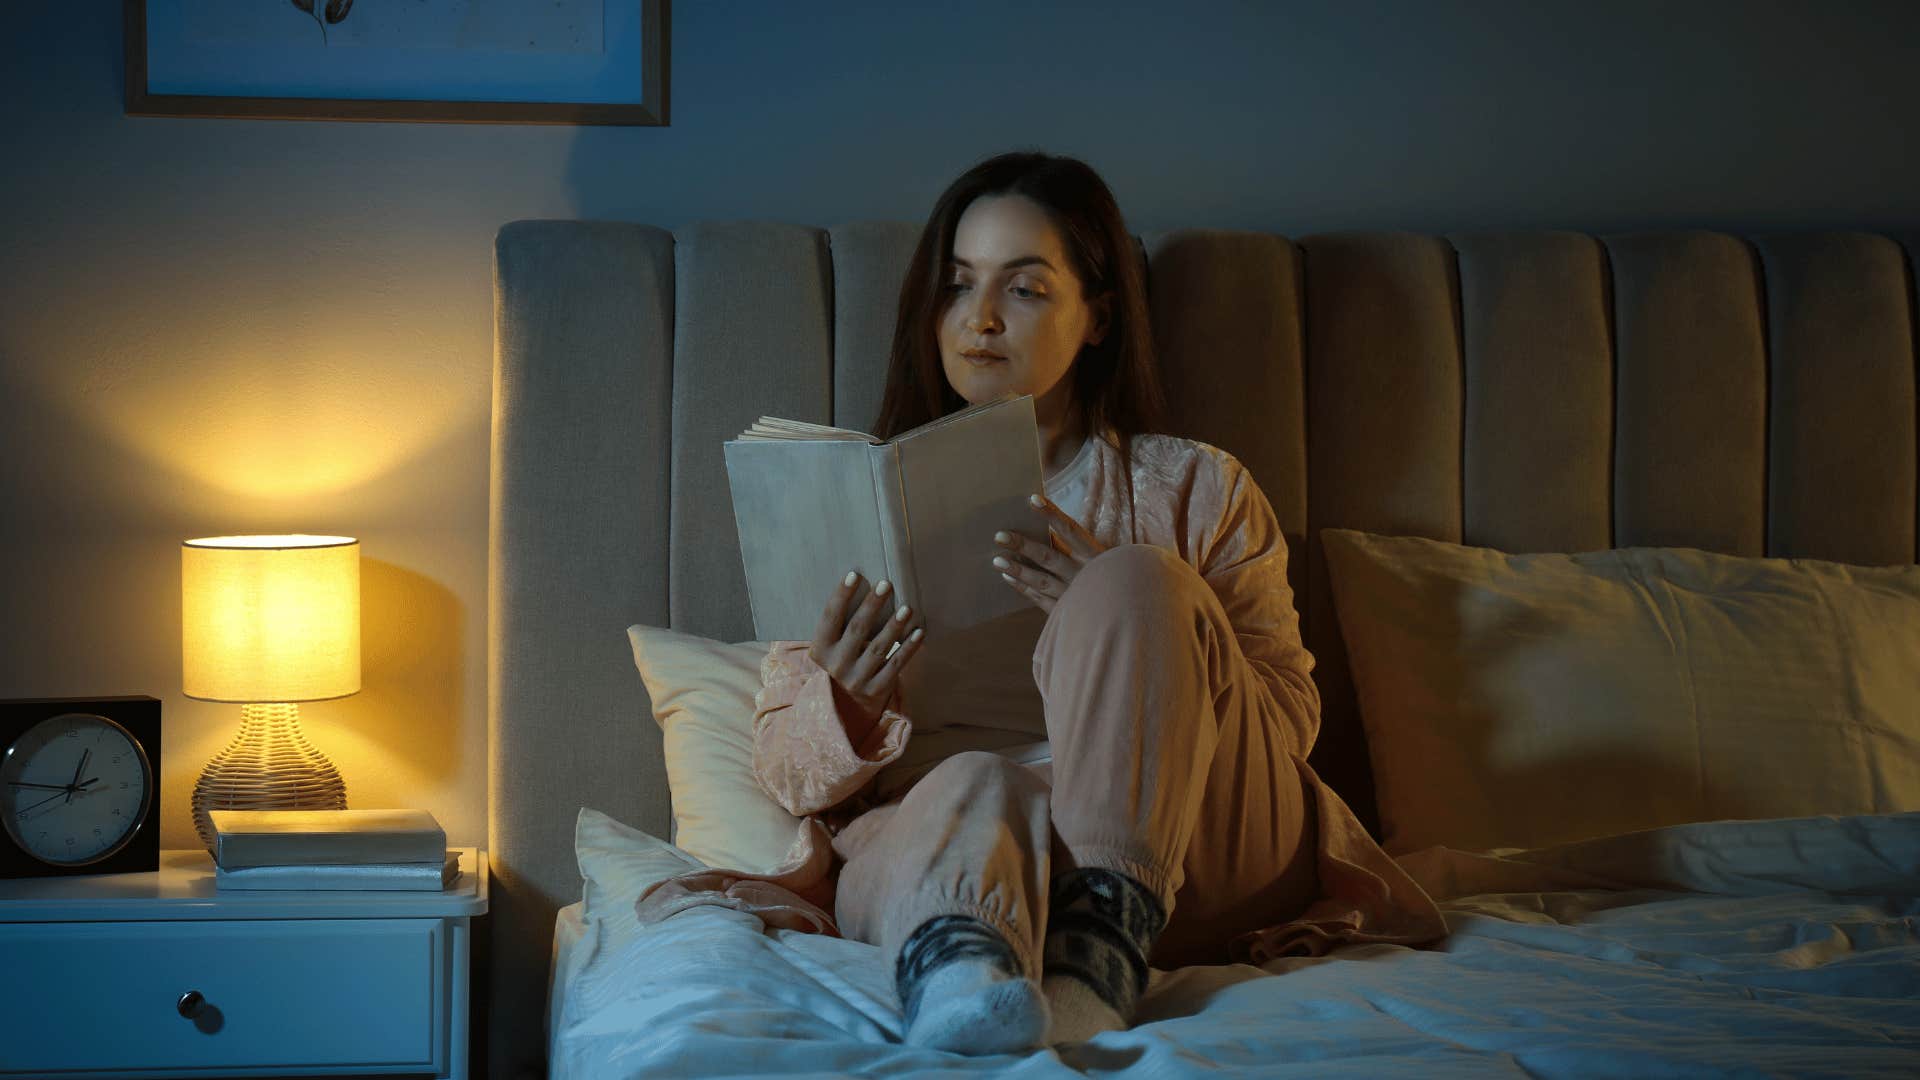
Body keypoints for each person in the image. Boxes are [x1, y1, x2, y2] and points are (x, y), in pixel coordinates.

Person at [645, 150, 1445, 1055]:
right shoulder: (862, 500)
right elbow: (790, 780)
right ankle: (960, 969)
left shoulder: (1193, 488)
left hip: (1194, 855)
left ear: (1098, 316)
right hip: (956, 844)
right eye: (957, 285)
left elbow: (1290, 729)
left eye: (1024, 289)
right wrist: (848, 698)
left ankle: (1103, 941)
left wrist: (1143, 620)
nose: (980, 320)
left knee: (1137, 579)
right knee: (972, 783)